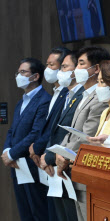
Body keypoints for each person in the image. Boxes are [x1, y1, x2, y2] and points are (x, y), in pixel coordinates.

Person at [55, 46, 110, 221]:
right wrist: (59, 152)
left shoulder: (99, 97)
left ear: (96, 69)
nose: (76, 69)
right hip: (71, 166)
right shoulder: (83, 95)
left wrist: (64, 156)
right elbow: (70, 131)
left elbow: (86, 134)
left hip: (82, 168)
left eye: (81, 64)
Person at [1, 58, 51, 220]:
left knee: (38, 213)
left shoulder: (44, 100)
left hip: (31, 165)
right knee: (25, 213)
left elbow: (36, 134)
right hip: (17, 165)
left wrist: (12, 154)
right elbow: (13, 131)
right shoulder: (21, 101)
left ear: (35, 76)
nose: (18, 76)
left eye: (23, 72)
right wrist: (7, 151)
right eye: (18, 72)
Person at [40, 51, 85, 221]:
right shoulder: (65, 95)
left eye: (64, 67)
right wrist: (47, 156)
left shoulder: (81, 96)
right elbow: (53, 130)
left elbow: (73, 133)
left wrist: (50, 157)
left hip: (66, 165)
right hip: (54, 164)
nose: (60, 72)